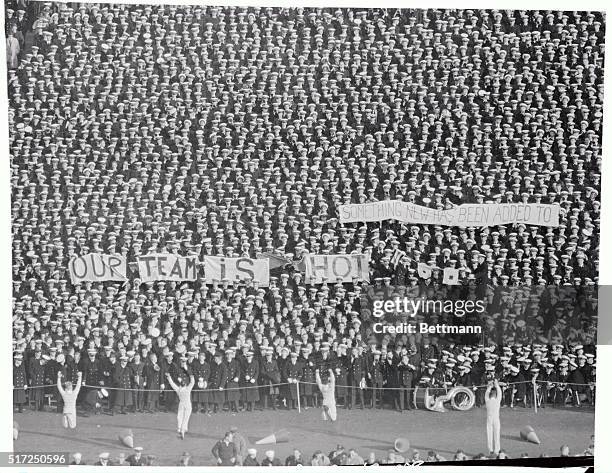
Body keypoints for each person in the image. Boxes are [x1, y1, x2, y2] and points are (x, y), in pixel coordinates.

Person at [166, 373, 195, 439]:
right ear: (185, 384)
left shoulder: (178, 389)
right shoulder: (187, 389)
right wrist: (192, 377)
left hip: (182, 404)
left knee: (180, 416)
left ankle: (181, 428)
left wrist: (169, 377)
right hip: (187, 405)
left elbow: (172, 384)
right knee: (185, 417)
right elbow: (192, 383)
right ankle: (183, 429)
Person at [485, 379, 503, 455]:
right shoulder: (497, 400)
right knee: (496, 434)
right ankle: (496, 450)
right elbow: (500, 392)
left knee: (489, 434)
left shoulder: (487, 400)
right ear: (495, 395)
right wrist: (496, 385)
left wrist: (490, 386)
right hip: (496, 419)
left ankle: (490, 450)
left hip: (489, 419)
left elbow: (486, 393)